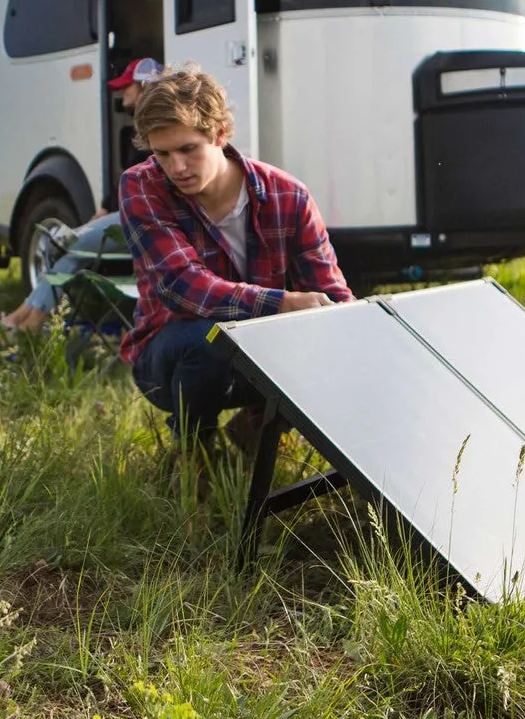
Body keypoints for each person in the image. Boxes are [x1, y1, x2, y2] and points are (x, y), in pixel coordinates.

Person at [119, 65, 353, 454]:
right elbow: (182, 286)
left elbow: (331, 292)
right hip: (170, 355)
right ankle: (194, 451)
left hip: (265, 349)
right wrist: (283, 303)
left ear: (219, 135)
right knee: (212, 339)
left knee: (332, 333)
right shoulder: (141, 186)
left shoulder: (288, 195)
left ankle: (256, 430)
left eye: (188, 149)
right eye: (163, 154)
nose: (176, 167)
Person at [0, 57, 161, 339]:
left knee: (69, 245)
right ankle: (29, 314)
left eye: (127, 87)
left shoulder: (156, 130)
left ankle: (29, 317)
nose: (122, 93)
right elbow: (131, 180)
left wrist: (108, 211)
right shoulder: (148, 127)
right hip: (133, 218)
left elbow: (140, 185)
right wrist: (106, 208)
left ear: (143, 86)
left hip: (141, 223)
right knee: (71, 249)